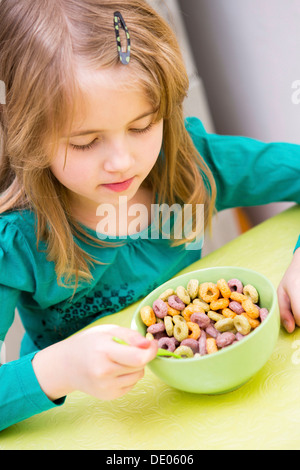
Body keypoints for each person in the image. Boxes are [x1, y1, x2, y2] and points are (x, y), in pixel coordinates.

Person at [0, 0, 299, 431]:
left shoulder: (191, 159)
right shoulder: (16, 241)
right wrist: (59, 369)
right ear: (28, 134)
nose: (122, 161)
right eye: (86, 142)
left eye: (141, 126)